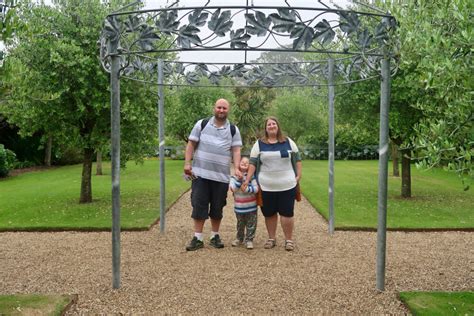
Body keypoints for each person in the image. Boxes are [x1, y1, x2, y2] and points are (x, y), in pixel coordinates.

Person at [184, 98, 242, 251]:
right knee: (198, 204)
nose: (221, 110)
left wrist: (237, 167)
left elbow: (236, 150)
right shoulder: (201, 124)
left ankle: (214, 236)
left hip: (221, 177)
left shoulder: (233, 130)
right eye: (219, 107)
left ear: (228, 110)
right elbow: (191, 144)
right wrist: (187, 163)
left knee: (217, 207)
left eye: (224, 108)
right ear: (214, 108)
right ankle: (197, 237)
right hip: (200, 175)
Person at [242, 116, 302, 251]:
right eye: (268, 124)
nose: (271, 126)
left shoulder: (288, 142)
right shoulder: (259, 144)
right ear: (265, 128)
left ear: (278, 126)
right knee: (269, 213)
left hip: (287, 185)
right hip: (266, 186)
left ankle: (289, 240)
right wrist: (247, 179)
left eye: (273, 123)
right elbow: (252, 163)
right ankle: (271, 238)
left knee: (287, 213)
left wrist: (298, 175)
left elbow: (297, 160)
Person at [229, 156, 259, 250]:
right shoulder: (234, 177)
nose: (245, 163)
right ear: (238, 164)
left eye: (247, 162)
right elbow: (232, 188)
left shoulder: (252, 176)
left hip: (251, 207)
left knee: (251, 224)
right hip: (239, 207)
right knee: (240, 224)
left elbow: (256, 189)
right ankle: (239, 238)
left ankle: (249, 240)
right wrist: (238, 181)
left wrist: (247, 189)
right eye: (242, 162)